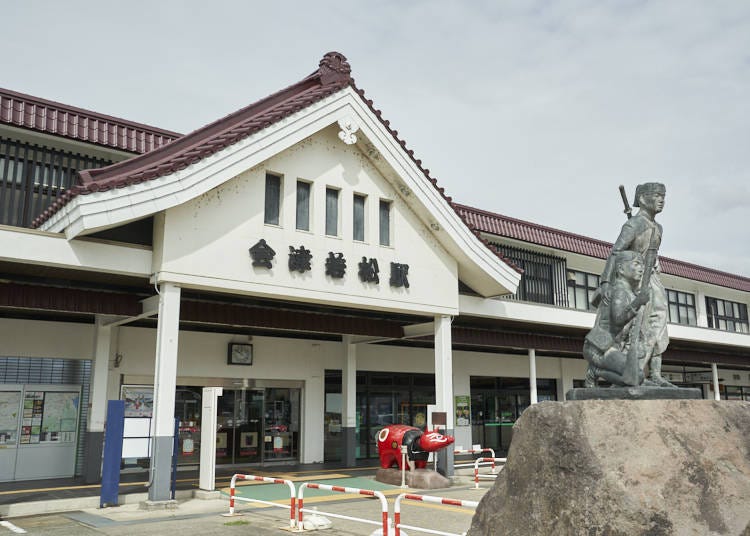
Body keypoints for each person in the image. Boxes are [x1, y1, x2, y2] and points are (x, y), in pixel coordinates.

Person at [597, 182, 674, 387]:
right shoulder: (634, 224)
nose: (661, 200)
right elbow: (616, 252)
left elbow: (653, 253)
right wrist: (606, 281)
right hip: (637, 279)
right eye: (656, 195)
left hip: (653, 277)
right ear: (642, 199)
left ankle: (655, 373)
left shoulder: (658, 228)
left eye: (663, 196)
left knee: (660, 321)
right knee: (639, 326)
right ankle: (634, 371)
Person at [584, 251, 653, 387]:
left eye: (642, 265)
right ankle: (595, 371)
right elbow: (618, 320)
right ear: (621, 269)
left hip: (611, 348)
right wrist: (638, 302)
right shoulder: (619, 291)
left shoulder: (630, 293)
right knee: (635, 377)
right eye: (636, 264)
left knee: (635, 378)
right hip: (599, 348)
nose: (641, 269)